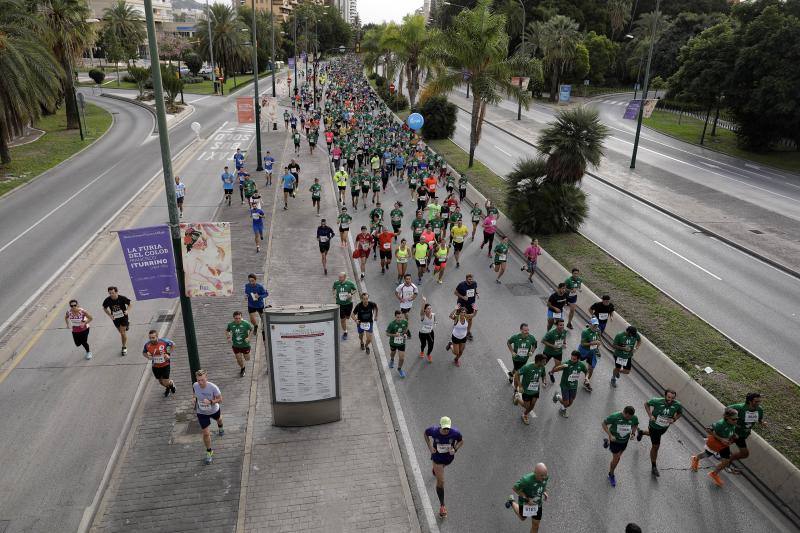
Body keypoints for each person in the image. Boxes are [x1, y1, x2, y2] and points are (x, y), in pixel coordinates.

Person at [636, 389, 683, 476]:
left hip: (664, 428)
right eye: (669, 397)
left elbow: (680, 413)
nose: (670, 399)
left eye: (673, 398)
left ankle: (642, 432)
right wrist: (650, 415)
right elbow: (646, 404)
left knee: (654, 436)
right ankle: (654, 466)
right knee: (655, 446)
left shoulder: (677, 405)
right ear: (665, 396)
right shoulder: (657, 401)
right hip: (654, 426)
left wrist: (674, 419)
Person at [424, 416, 464, 519]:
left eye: (448, 428)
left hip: (448, 459)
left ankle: (437, 471)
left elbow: (461, 441)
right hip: (437, 458)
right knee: (441, 482)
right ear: (440, 426)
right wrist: (430, 446)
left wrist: (455, 449)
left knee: (440, 470)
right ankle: (442, 506)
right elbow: (425, 433)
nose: (446, 430)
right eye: (444, 428)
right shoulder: (433, 431)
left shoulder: (455, 433)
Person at [690, 407, 740, 487]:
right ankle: (695, 458)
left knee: (726, 461)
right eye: (733, 419)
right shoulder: (720, 424)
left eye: (737, 418)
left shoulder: (732, 424)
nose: (736, 420)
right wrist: (721, 439)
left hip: (724, 445)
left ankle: (714, 474)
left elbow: (730, 431)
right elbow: (708, 430)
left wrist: (734, 435)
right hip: (715, 443)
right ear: (727, 417)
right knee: (707, 454)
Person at [727, 392, 767, 472]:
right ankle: (726, 463)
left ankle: (723, 459)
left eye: (759, 401)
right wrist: (732, 423)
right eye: (756, 401)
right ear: (750, 401)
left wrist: (762, 422)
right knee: (744, 453)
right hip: (735, 433)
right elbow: (727, 409)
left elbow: (759, 419)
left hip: (744, 434)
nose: (758, 403)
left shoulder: (759, 410)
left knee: (722, 446)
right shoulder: (740, 407)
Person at [504, 463, 549, 532]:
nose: (544, 478)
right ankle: (512, 502)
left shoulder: (545, 477)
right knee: (522, 518)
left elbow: (543, 484)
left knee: (536, 525)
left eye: (545, 475)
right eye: (542, 476)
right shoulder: (526, 480)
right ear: (535, 473)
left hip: (537, 504)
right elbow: (515, 488)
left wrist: (544, 491)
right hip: (525, 502)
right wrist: (527, 499)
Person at [602, 406, 639, 487]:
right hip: (615, 441)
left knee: (618, 457)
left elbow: (635, 425)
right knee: (617, 459)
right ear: (624, 412)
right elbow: (604, 423)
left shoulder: (634, 418)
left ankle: (607, 442)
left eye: (630, 417)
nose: (628, 418)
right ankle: (611, 475)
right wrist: (610, 435)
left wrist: (633, 433)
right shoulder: (615, 416)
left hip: (624, 441)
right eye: (627, 416)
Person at [193, 369, 223, 465]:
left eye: (202, 380)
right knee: (206, 433)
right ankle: (209, 452)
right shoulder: (195, 385)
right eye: (199, 380)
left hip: (213, 410)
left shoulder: (213, 387)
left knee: (219, 420)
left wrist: (210, 402)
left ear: (206, 378)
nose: (200, 382)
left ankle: (221, 427)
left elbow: (220, 399)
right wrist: (194, 399)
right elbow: (195, 394)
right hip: (201, 412)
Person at [550, 350, 588, 418]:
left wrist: (587, 378)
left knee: (570, 403)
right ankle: (562, 408)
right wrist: (561, 367)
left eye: (574, 359)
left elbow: (586, 371)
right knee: (566, 403)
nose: (572, 360)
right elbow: (554, 370)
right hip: (565, 385)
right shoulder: (567, 363)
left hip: (574, 386)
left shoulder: (581, 365)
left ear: (578, 359)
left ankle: (557, 396)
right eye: (571, 358)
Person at [513, 354, 547, 425]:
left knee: (533, 405)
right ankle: (518, 398)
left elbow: (544, 374)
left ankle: (524, 415)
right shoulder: (527, 367)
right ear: (538, 361)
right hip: (526, 390)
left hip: (535, 389)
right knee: (526, 406)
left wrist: (544, 381)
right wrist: (520, 386)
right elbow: (517, 374)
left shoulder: (542, 367)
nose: (545, 363)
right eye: (544, 361)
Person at [142, 330, 176, 397]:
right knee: (161, 382)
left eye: (153, 337)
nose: (151, 339)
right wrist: (148, 356)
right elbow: (144, 353)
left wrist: (168, 354)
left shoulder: (164, 341)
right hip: (155, 366)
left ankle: (170, 386)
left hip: (165, 365)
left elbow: (173, 344)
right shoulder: (147, 345)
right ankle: (169, 386)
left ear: (157, 336)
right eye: (150, 338)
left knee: (165, 381)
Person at [102, 286, 132, 356]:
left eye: (113, 293)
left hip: (123, 317)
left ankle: (124, 347)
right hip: (115, 318)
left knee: (122, 333)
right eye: (110, 293)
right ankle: (127, 325)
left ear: (116, 292)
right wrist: (110, 315)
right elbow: (104, 308)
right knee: (120, 332)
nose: (111, 294)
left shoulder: (122, 298)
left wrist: (127, 311)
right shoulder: (107, 300)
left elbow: (130, 304)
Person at [576, 318, 602, 391]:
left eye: (596, 325)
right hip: (583, 351)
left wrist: (598, 346)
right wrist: (592, 343)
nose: (595, 327)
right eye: (594, 325)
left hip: (592, 352)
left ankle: (586, 382)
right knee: (575, 364)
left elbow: (599, 340)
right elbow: (582, 343)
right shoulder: (585, 332)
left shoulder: (598, 331)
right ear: (590, 324)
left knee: (591, 368)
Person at [226, 311, 253, 377]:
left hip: (245, 345)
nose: (238, 320)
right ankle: (242, 368)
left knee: (247, 359)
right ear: (233, 318)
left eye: (239, 318)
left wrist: (249, 338)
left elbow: (251, 330)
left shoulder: (246, 324)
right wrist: (228, 337)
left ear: (241, 317)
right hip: (236, 345)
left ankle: (245, 355)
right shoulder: (231, 324)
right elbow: (227, 330)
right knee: (238, 359)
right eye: (236, 318)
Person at [332, 272, 357, 340]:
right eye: (339, 277)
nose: (339, 279)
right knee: (342, 320)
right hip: (340, 304)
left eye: (341, 277)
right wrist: (334, 293)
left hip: (348, 304)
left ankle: (345, 320)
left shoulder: (350, 283)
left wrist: (351, 294)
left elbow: (355, 290)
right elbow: (333, 289)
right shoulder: (336, 283)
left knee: (347, 317)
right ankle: (345, 331)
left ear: (344, 277)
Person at [453, 274, 478, 341]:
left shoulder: (474, 283)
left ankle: (467, 332)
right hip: (462, 304)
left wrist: (477, 294)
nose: (471, 280)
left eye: (472, 279)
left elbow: (475, 290)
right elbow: (455, 293)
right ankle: (458, 328)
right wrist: (462, 297)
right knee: (460, 317)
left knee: (470, 318)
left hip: (471, 304)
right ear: (466, 279)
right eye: (470, 279)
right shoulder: (461, 285)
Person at [386, 310, 409, 378]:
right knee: (393, 353)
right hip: (393, 342)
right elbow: (387, 334)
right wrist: (394, 335)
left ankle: (399, 369)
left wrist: (405, 334)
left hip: (401, 342)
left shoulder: (404, 322)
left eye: (400, 317)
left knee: (402, 358)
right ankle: (392, 359)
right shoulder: (391, 324)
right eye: (397, 317)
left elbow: (406, 327)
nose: (399, 319)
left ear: (402, 316)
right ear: (395, 317)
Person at [244, 274, 268, 338]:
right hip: (251, 304)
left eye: (252, 281)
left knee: (262, 318)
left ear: (255, 280)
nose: (251, 282)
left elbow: (266, 294)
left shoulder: (260, 287)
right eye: (250, 281)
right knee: (252, 319)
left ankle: (264, 328)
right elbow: (246, 293)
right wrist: (246, 296)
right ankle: (255, 326)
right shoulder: (247, 286)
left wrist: (259, 296)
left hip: (259, 305)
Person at [418, 298, 436, 362]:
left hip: (430, 332)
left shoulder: (433, 315)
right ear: (425, 310)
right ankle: (422, 351)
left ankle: (428, 354)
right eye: (428, 308)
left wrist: (435, 324)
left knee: (431, 344)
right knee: (423, 344)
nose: (430, 309)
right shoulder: (423, 316)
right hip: (422, 333)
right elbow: (421, 311)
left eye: (430, 308)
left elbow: (434, 321)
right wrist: (424, 302)